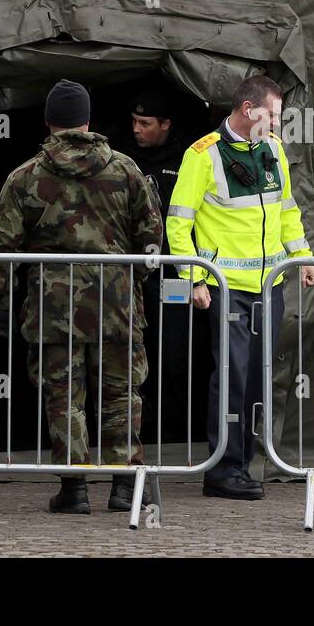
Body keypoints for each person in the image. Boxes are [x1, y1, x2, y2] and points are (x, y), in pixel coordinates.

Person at [0, 80, 163, 515]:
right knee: (121, 394)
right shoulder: (126, 170)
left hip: (53, 309)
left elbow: (0, 247)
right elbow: (152, 237)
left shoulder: (26, 176)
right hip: (117, 304)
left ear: (49, 123)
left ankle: (74, 487)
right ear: (87, 121)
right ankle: (124, 487)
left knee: (64, 396)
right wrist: (135, 283)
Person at [166, 75, 314, 500]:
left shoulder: (273, 149)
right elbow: (179, 220)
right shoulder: (203, 154)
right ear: (249, 110)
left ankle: (242, 464)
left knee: (256, 380)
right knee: (231, 379)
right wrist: (193, 277)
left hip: (270, 283)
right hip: (228, 287)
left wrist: (302, 257)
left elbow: (288, 209)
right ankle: (222, 470)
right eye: (272, 114)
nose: (276, 123)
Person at [128, 88, 194, 445]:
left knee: (173, 352)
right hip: (137, 275)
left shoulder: (188, 158)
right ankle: (141, 428)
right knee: (137, 351)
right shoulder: (123, 160)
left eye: (145, 123)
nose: (137, 129)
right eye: (134, 122)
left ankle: (175, 429)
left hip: (174, 275)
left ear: (166, 124)